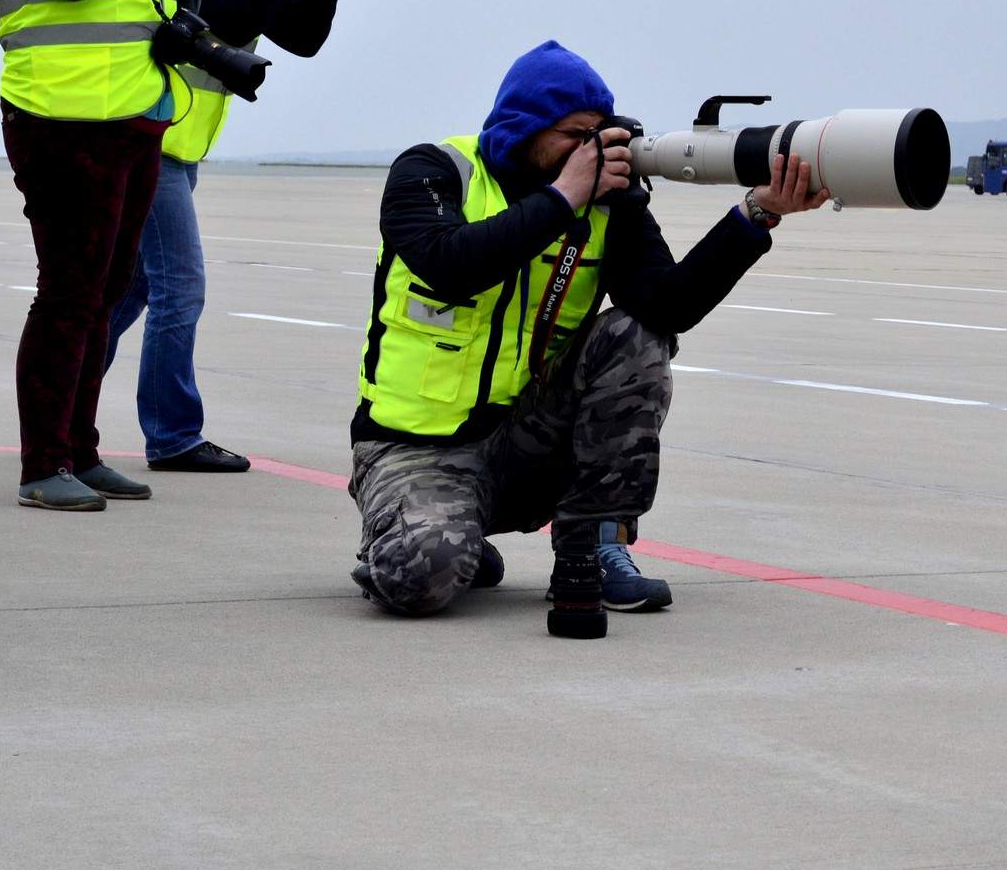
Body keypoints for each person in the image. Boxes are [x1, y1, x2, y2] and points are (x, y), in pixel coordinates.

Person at [348, 41, 828, 639]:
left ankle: (595, 546)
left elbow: (669, 306)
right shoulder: (434, 172)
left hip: (528, 445)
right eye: (575, 135)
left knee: (636, 334)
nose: (591, 151)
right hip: (414, 449)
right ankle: (427, 537)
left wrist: (756, 214)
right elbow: (450, 265)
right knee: (422, 579)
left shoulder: (610, 201)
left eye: (598, 135)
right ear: (526, 128)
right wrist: (565, 195)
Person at [0, 0, 201, 511]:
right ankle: (42, 465)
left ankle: (78, 451)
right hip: (59, 127)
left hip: (132, 125)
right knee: (68, 295)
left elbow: (183, 0)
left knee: (107, 291)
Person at [106, 0, 345, 474]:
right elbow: (232, 19)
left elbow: (303, 38)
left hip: (178, 147)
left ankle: (61, 405)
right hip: (153, 138)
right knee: (180, 289)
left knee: (130, 289)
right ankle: (174, 437)